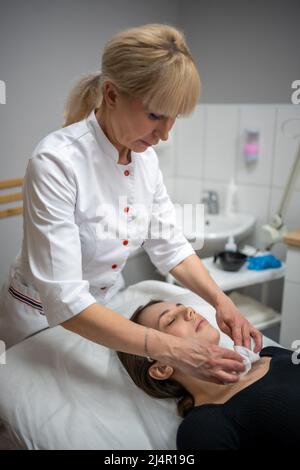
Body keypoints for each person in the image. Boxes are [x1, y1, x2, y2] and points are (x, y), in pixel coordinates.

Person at [0, 23, 262, 384]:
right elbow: (66, 300)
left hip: (109, 310)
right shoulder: (56, 162)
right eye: (155, 115)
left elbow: (170, 245)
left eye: (173, 118)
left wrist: (222, 301)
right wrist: (171, 349)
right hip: (39, 320)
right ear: (111, 94)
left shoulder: (145, 160)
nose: (165, 134)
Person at [117, 300, 300, 449]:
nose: (190, 311)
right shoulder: (203, 428)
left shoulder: (270, 354)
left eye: (183, 306)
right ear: (162, 369)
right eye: (170, 321)